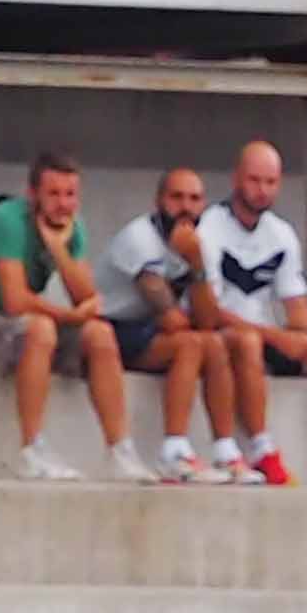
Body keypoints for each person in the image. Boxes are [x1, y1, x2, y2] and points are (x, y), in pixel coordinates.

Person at [0, 149, 151, 484]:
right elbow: (15, 300)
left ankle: (120, 451)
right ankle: (30, 450)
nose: (63, 204)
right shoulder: (7, 221)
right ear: (32, 193)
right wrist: (69, 315)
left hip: (15, 329)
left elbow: (87, 298)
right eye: (53, 194)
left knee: (100, 334)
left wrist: (59, 251)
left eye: (70, 194)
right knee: (42, 329)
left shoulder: (71, 227)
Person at [193, 141, 307, 489]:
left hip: (266, 334)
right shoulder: (210, 228)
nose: (262, 190)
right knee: (248, 341)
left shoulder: (281, 233)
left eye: (271, 182)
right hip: (226, 334)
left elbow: (298, 308)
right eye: (254, 180)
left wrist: (300, 333)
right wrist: (278, 336)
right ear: (236, 179)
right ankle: (262, 450)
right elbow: (210, 311)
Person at [126, 164, 239, 482]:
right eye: (176, 198)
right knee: (191, 343)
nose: (186, 207)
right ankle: (173, 452)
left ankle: (226, 453)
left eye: (194, 199)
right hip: (118, 328)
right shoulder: (140, 239)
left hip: (154, 335)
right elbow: (173, 320)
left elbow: (207, 322)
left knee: (213, 343)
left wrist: (197, 265)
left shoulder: (199, 246)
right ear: (158, 201)